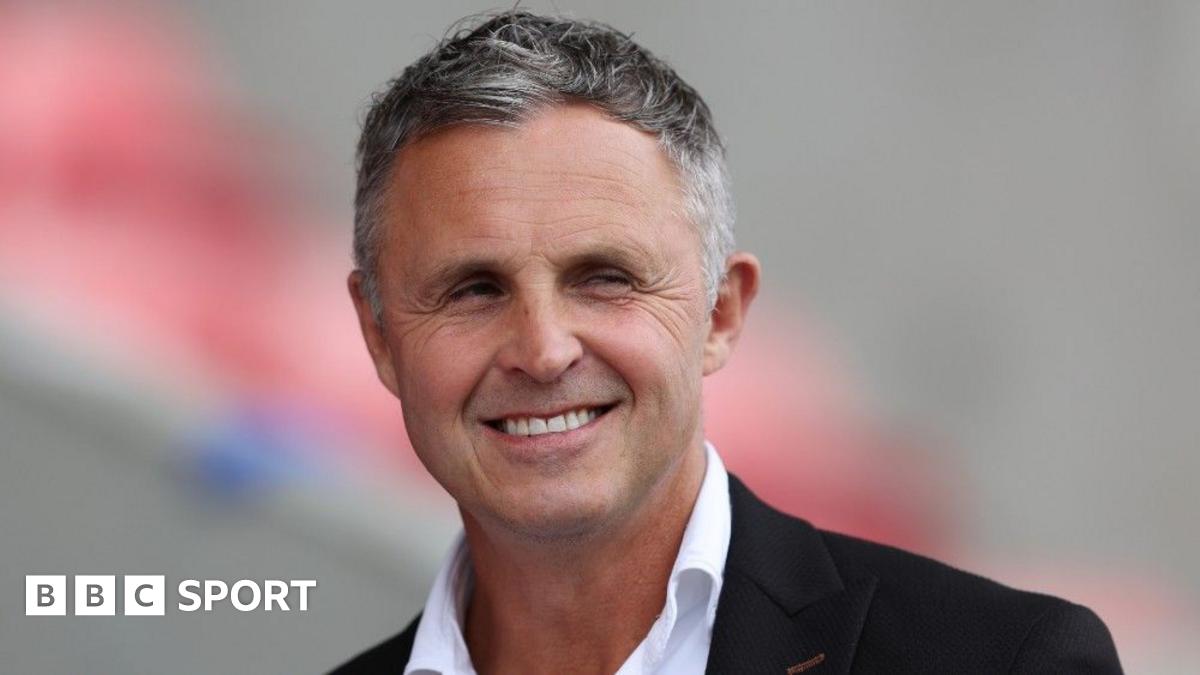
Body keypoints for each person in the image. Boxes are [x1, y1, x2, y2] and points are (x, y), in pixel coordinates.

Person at [335, 11, 1121, 674]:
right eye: (475, 289)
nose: (542, 352)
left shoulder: (1005, 662)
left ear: (720, 313)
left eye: (604, 277)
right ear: (379, 333)